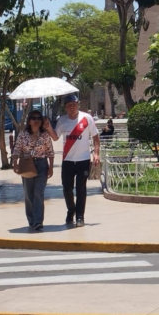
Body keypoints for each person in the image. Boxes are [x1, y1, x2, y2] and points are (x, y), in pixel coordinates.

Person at [45, 94, 100, 227]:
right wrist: (48, 127)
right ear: (65, 108)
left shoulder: (87, 118)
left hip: (83, 160)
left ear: (78, 104)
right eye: (69, 106)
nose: (72, 107)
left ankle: (80, 216)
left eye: (74, 105)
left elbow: (95, 136)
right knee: (67, 188)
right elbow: (56, 137)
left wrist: (96, 153)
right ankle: (71, 210)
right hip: (68, 161)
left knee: (81, 189)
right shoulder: (62, 121)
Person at [12, 110, 54, 230]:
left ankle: (38, 221)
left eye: (39, 119)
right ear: (29, 121)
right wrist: (15, 164)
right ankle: (31, 219)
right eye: (34, 118)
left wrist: (51, 167)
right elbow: (17, 150)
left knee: (38, 193)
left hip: (41, 165)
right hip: (27, 164)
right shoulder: (23, 134)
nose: (36, 121)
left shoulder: (45, 134)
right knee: (29, 194)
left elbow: (50, 151)